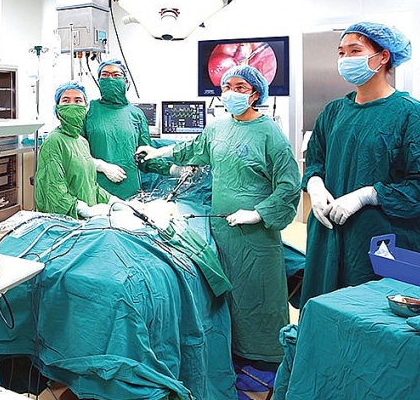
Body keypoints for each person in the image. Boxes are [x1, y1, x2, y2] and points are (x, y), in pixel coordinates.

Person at [137, 65, 301, 366]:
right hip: (223, 230)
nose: (231, 93)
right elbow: (192, 150)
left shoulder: (270, 134)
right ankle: (233, 355)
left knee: (259, 296)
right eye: (227, 87)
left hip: (256, 236)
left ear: (255, 94)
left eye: (240, 88)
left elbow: (290, 186)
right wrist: (159, 152)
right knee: (230, 298)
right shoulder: (217, 129)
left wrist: (258, 213)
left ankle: (268, 360)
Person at [302, 22, 420, 304]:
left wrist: (369, 195)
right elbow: (316, 158)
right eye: (341, 52)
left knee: (367, 313)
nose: (346, 59)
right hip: (329, 236)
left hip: (376, 241)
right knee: (326, 309)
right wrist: (315, 184)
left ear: (383, 57)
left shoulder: (411, 115)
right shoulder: (334, 111)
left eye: (355, 51)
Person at [84, 59, 174, 199]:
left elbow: (145, 158)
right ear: (99, 81)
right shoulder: (89, 111)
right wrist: (100, 166)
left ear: (126, 81)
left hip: (129, 189)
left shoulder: (136, 114)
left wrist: (173, 169)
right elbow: (76, 153)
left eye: (116, 75)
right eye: (105, 75)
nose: (110, 79)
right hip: (96, 189)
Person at [34, 81, 115, 218]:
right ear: (57, 108)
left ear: (86, 107)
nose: (72, 105)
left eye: (78, 100)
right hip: (65, 222)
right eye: (66, 101)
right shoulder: (54, 141)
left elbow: (91, 186)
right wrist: (85, 210)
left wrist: (114, 202)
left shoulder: (82, 142)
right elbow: (54, 191)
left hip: (85, 222)